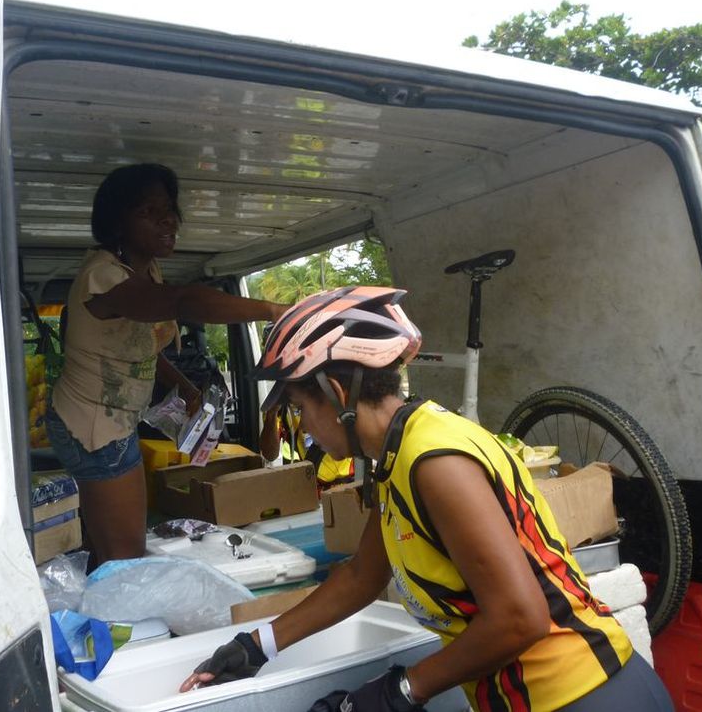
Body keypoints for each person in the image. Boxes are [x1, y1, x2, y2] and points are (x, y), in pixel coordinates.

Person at [180, 286, 673, 711]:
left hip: (582, 695)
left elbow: (520, 617)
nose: (304, 427)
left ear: (335, 392)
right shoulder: (396, 456)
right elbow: (361, 576)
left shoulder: (433, 460)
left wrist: (401, 690)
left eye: (300, 408)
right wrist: (257, 644)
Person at [44, 163, 288, 568]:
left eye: (169, 208)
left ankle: (101, 601)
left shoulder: (146, 270)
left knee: (110, 545)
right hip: (93, 425)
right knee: (125, 557)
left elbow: (141, 348)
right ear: (116, 224)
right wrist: (272, 309)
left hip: (110, 419)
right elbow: (182, 301)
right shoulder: (103, 277)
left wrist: (188, 391)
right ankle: (117, 624)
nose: (167, 219)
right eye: (147, 211)